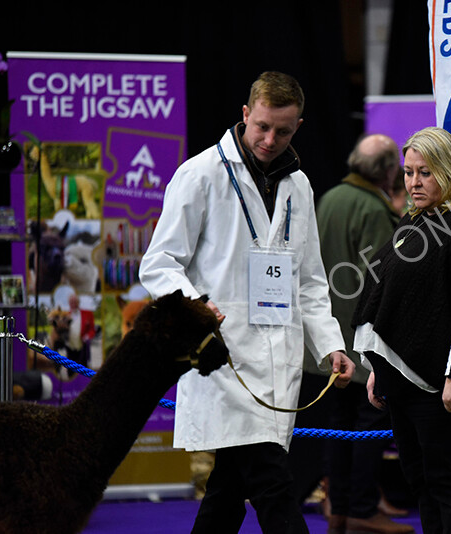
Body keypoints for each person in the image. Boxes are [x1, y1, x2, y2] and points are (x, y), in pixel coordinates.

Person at [139, 71, 355, 534]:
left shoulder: (299, 186)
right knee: (275, 487)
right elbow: (158, 264)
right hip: (225, 360)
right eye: (262, 126)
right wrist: (197, 307)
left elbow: (311, 281)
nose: (270, 138)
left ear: (299, 125)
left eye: (283, 129)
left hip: (280, 362)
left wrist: (330, 346)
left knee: (228, 496)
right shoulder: (200, 175)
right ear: (244, 115)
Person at [352, 126, 451, 533]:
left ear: (449, 170)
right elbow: (392, 301)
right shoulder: (415, 221)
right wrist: (378, 366)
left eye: (425, 172)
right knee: (422, 482)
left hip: (443, 388)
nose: (414, 182)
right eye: (408, 172)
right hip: (405, 384)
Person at [315, 133, 412, 534]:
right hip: (361, 341)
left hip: (328, 339)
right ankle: (360, 507)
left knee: (338, 429)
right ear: (390, 170)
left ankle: (340, 505)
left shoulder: (331, 197)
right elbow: (383, 281)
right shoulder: (374, 210)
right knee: (367, 426)